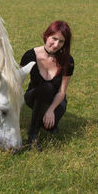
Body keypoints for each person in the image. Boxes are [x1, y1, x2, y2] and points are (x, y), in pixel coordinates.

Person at [20, 20, 74, 149]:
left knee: (49, 127)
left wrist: (51, 110)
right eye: (54, 39)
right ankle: (32, 136)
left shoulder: (68, 61)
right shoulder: (30, 55)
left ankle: (46, 122)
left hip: (56, 102)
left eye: (61, 41)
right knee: (46, 88)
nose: (56, 45)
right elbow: (17, 83)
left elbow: (62, 91)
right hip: (33, 96)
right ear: (46, 35)